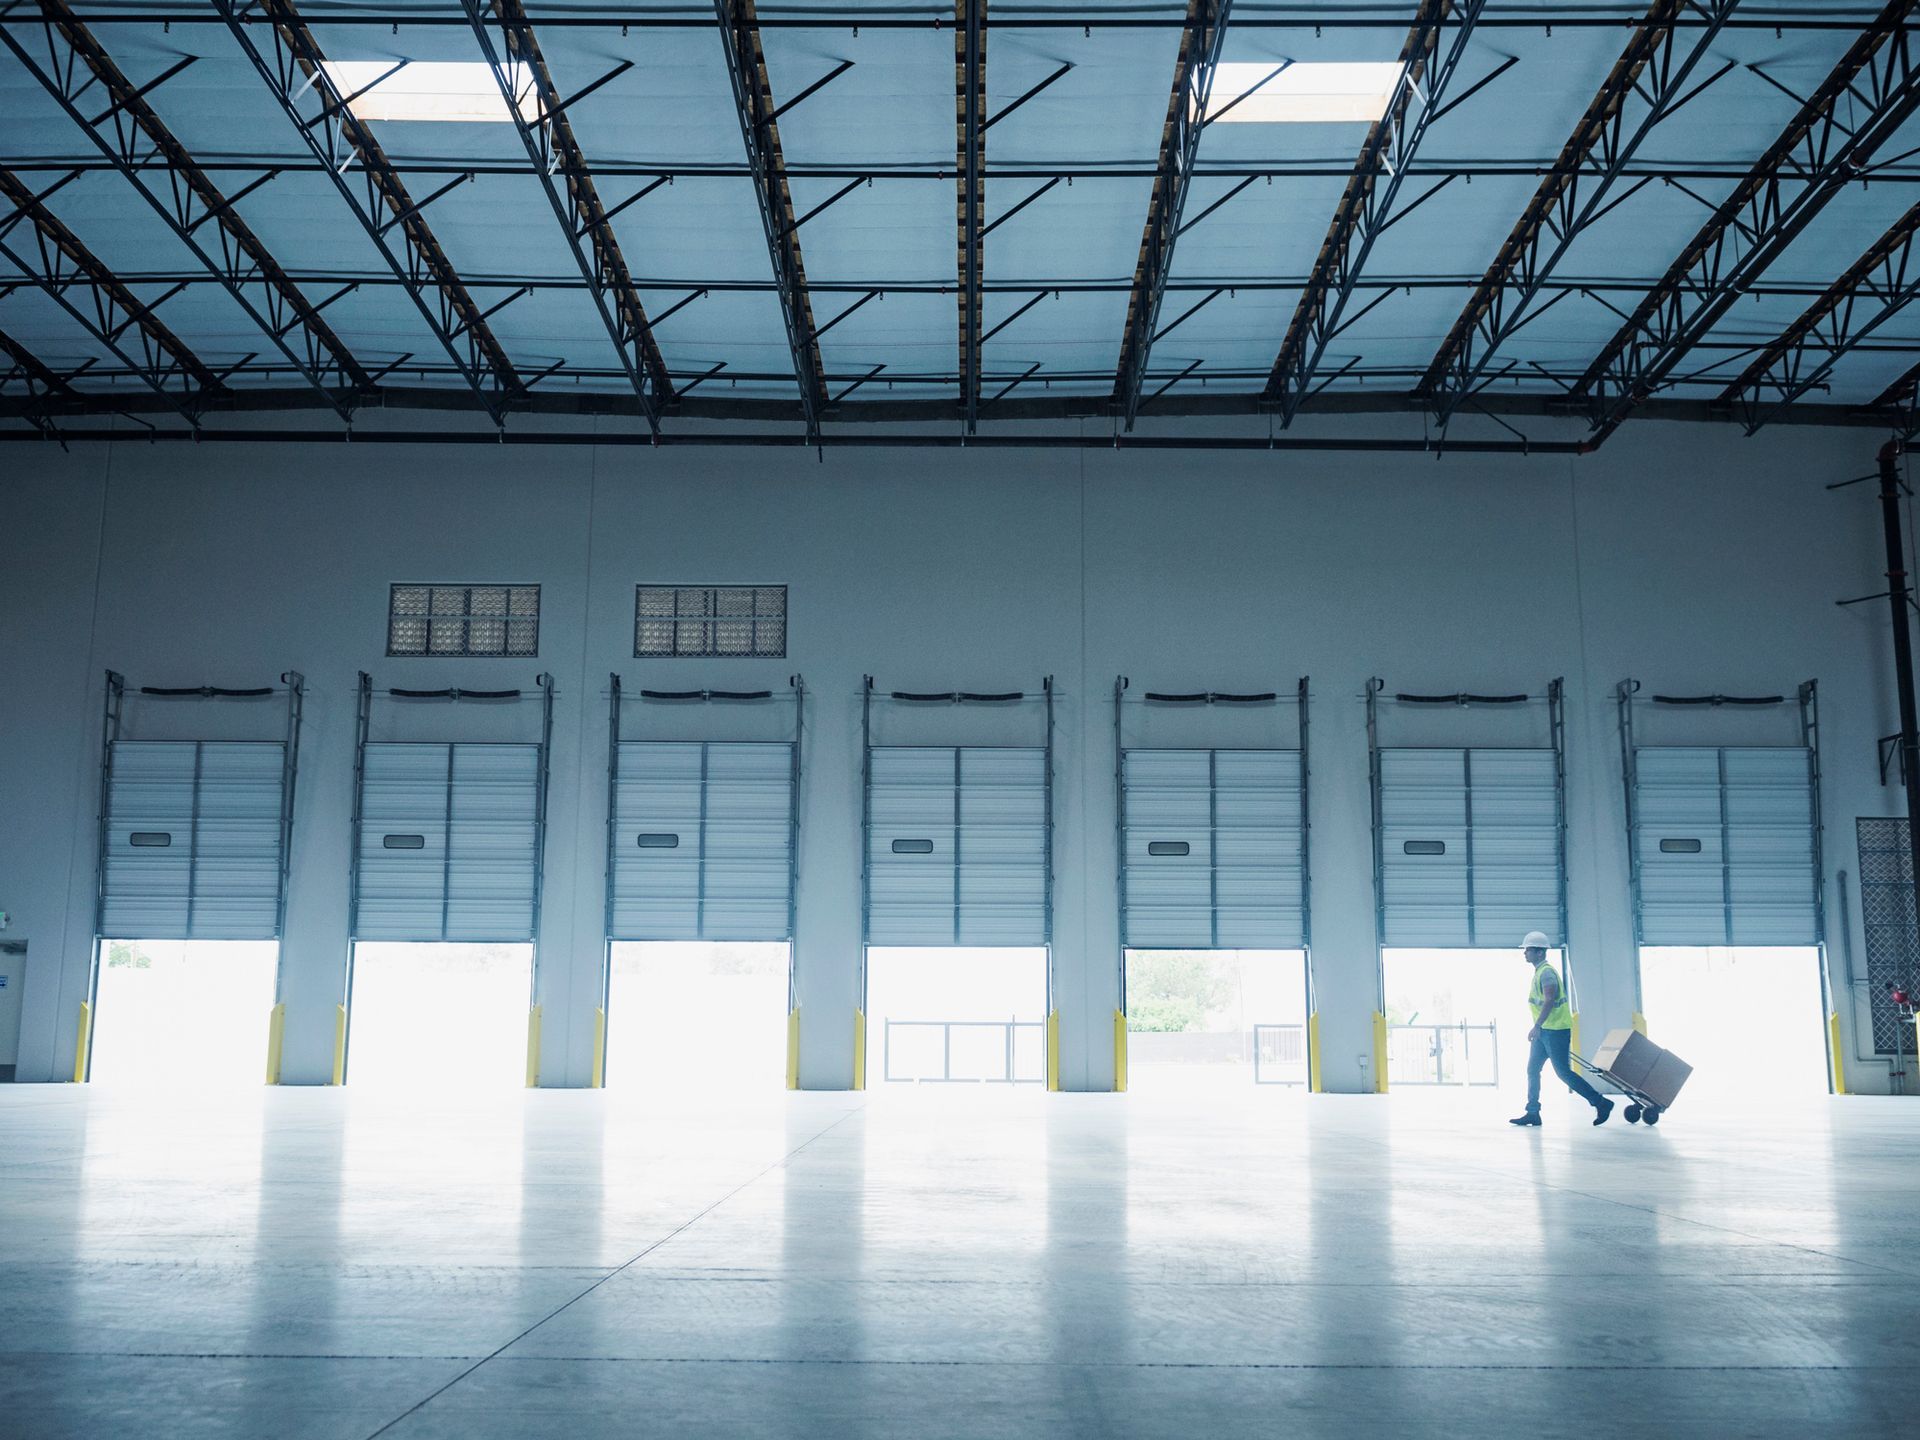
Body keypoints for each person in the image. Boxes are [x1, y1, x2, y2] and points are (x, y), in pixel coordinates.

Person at [1509, 931, 1612, 1127]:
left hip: (1555, 1031)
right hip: (1544, 1032)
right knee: (1532, 1069)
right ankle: (1532, 1112)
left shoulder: (1547, 973)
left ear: (1539, 953)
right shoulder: (1539, 972)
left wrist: (1536, 1025)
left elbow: (1549, 1000)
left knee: (1563, 1072)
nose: (1525, 953)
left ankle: (1600, 1102)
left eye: (1528, 950)